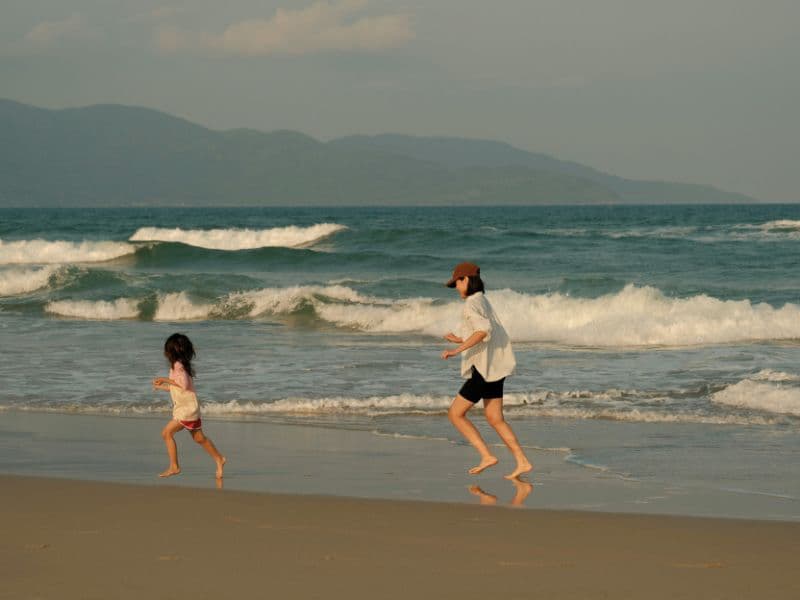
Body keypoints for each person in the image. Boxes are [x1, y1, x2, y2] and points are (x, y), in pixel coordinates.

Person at [441, 262, 533, 480]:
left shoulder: (472, 304)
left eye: (457, 283)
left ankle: (486, 456)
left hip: (483, 369)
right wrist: (461, 338)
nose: (456, 288)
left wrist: (456, 350)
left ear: (466, 280)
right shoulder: (483, 300)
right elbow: (484, 332)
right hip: (495, 366)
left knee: (455, 413)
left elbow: (483, 331)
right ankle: (522, 461)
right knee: (494, 417)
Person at [152, 333, 226, 479]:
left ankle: (174, 466)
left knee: (166, 433)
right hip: (189, 407)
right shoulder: (178, 366)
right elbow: (177, 387)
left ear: (172, 351)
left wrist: (163, 379)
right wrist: (162, 387)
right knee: (199, 438)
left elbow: (183, 385)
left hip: (186, 410)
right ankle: (219, 459)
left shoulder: (178, 366)